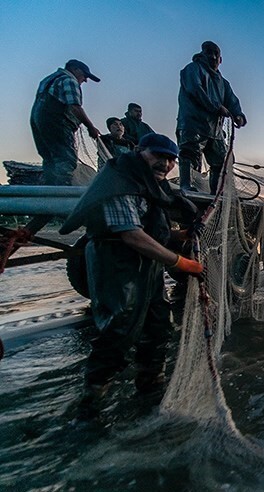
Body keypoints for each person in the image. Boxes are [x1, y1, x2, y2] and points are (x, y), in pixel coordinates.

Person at [59, 133, 204, 419]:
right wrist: (181, 263)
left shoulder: (151, 186)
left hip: (147, 267)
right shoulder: (120, 182)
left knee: (158, 322)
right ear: (139, 151)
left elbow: (151, 230)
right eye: (158, 156)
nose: (165, 164)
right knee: (119, 326)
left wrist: (180, 234)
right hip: (117, 264)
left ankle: (151, 386)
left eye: (171, 159)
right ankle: (92, 402)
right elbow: (132, 235)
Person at [23, 59, 102, 236]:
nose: (85, 80)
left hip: (38, 121)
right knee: (66, 159)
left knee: (50, 159)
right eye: (85, 76)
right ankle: (61, 195)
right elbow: (74, 106)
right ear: (74, 69)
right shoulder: (69, 80)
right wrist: (90, 126)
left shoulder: (48, 79)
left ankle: (51, 188)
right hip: (56, 122)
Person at [177, 41, 247, 193]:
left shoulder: (224, 83)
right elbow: (195, 90)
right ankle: (186, 186)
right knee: (189, 154)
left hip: (215, 131)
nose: (214, 57)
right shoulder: (192, 69)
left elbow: (232, 101)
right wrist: (216, 107)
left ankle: (217, 192)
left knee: (221, 161)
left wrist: (238, 115)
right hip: (193, 124)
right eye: (209, 53)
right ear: (203, 55)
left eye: (217, 54)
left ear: (221, 60)